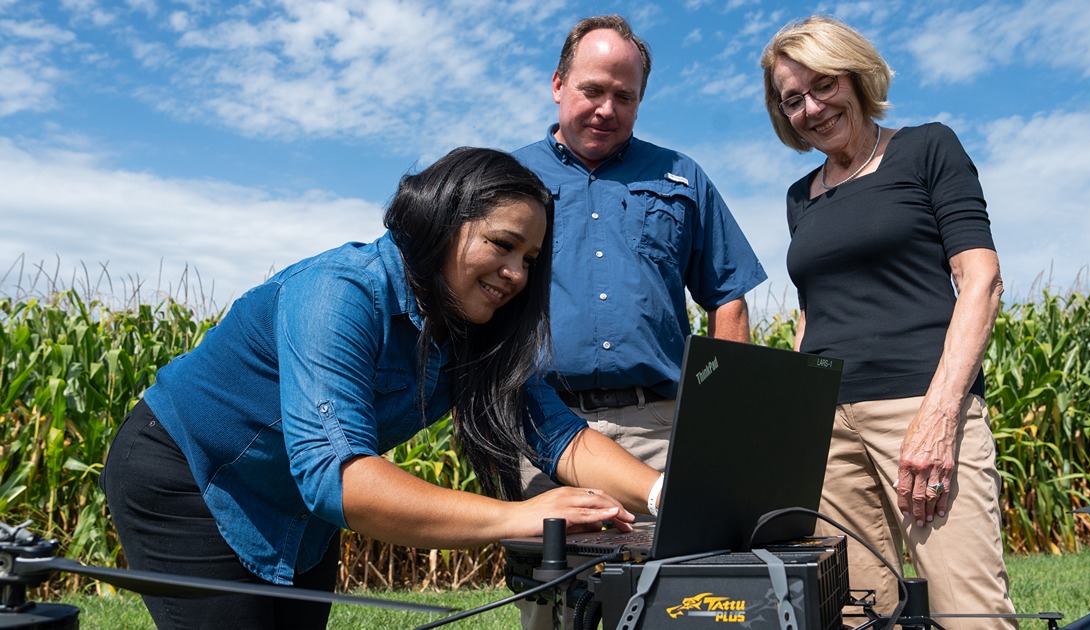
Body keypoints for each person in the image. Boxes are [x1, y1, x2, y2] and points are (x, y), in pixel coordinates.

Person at [100, 147, 664, 630]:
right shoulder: (336, 293)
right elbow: (336, 477)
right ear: (442, 221)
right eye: (502, 244)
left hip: (294, 502)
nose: (516, 273)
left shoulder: (475, 327)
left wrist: (666, 495)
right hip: (188, 478)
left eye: (530, 259)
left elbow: (558, 435)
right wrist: (521, 518)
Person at [510, 13, 767, 627]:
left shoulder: (681, 176)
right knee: (552, 609)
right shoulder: (507, 178)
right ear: (557, 85)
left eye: (624, 96)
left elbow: (728, 296)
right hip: (547, 428)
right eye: (592, 90)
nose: (606, 108)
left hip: (660, 426)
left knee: (670, 606)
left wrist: (719, 422)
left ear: (640, 100)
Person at [759, 16, 1015, 629]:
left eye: (823, 85)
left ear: (856, 74)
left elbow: (981, 279)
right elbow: (810, 312)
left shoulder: (928, 147)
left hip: (920, 409)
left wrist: (940, 413)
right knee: (857, 614)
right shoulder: (802, 196)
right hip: (827, 427)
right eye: (793, 99)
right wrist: (797, 425)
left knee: (969, 611)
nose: (812, 108)